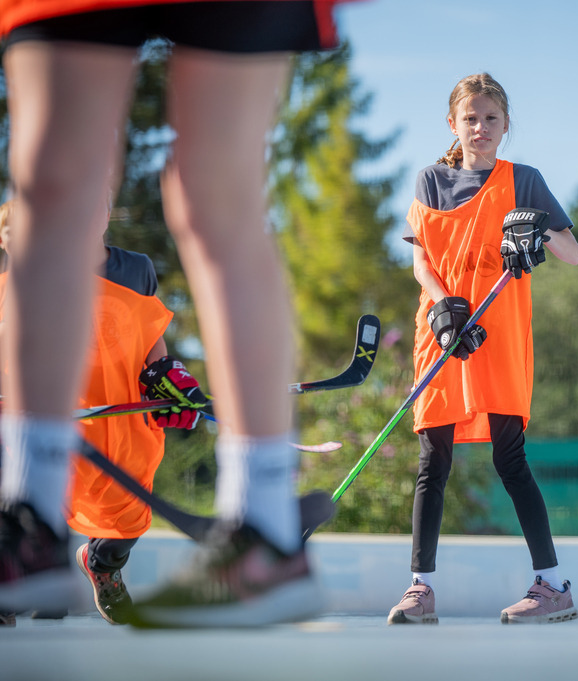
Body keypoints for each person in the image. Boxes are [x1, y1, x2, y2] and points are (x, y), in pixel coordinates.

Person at [0, 1, 359, 627]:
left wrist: (165, 374)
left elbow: (148, 342)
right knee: (54, 180)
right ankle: (29, 526)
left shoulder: (132, 271)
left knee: (218, 190)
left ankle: (264, 532)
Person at [386, 73, 578, 626]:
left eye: (491, 118)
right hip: (442, 332)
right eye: (470, 118)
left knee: (509, 457)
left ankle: (553, 587)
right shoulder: (429, 180)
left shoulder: (524, 180)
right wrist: (444, 305)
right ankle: (420, 589)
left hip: (499, 336)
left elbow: (573, 253)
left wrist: (537, 233)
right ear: (453, 124)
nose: (480, 127)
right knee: (433, 460)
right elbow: (421, 261)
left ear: (506, 124)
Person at [0, 198, 205, 625]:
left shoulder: (137, 268)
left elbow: (150, 331)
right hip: (55, 413)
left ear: (107, 212)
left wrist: (166, 372)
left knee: (128, 518)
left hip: (123, 415)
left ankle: (102, 565)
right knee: (30, 500)